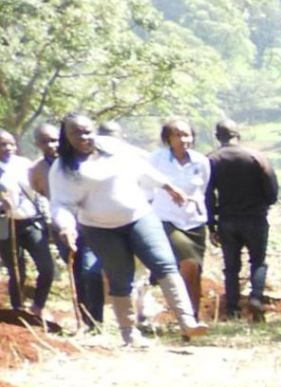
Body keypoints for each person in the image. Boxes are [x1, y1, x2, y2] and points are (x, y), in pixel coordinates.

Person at [46, 115, 196, 345]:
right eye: (77, 133)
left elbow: (142, 168)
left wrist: (168, 186)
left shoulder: (113, 148)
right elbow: (60, 204)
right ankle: (129, 333)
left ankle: (187, 322)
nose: (84, 137)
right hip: (100, 228)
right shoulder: (62, 169)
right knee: (120, 277)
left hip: (138, 216)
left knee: (164, 263)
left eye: (87, 131)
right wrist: (66, 226)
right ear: (66, 137)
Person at [26, 125, 102, 331]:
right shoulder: (37, 169)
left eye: (55, 140)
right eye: (45, 141)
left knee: (91, 271)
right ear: (37, 144)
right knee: (76, 271)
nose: (52, 145)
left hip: (92, 222)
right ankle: (85, 320)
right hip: (62, 227)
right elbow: (40, 191)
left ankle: (97, 319)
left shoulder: (83, 159)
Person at [206, 118, 279, 319]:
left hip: (227, 220)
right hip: (255, 218)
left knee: (231, 267)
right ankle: (255, 297)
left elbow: (208, 195)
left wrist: (211, 225)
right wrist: (262, 204)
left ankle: (232, 309)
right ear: (238, 134)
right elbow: (272, 191)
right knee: (258, 261)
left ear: (217, 137)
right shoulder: (257, 157)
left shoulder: (211, 160)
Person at [148, 119, 211, 324]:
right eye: (178, 135)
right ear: (168, 138)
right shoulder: (156, 160)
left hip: (194, 221)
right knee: (188, 264)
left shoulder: (200, 161)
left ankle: (191, 315)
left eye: (187, 135)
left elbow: (203, 189)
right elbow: (147, 187)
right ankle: (185, 315)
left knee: (195, 270)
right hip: (168, 219)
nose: (184, 139)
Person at [0, 130, 54, 327]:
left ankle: (38, 306)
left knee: (47, 268)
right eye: (2, 145)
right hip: (5, 225)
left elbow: (39, 189)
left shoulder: (25, 164)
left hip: (31, 222)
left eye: (11, 144)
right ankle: (17, 310)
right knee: (16, 271)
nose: (7, 148)